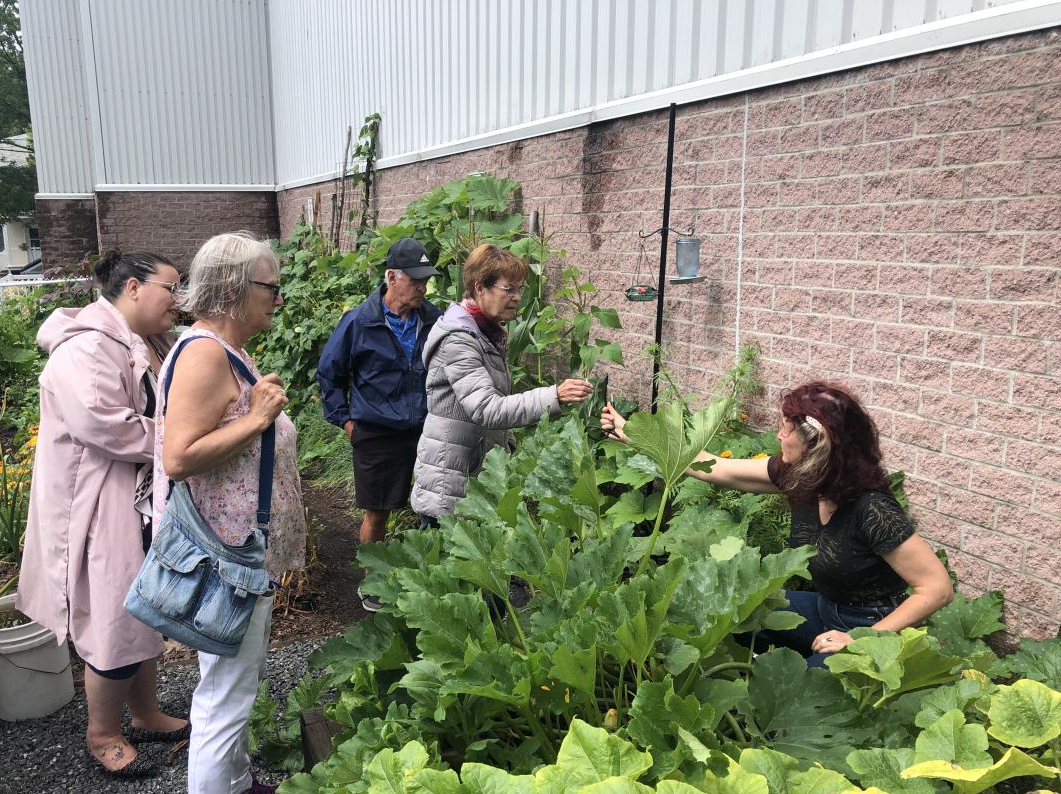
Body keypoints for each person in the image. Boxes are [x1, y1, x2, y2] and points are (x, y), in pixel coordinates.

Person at [601, 381, 953, 667]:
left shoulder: (872, 508)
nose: (778, 437)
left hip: (871, 623)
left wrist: (861, 640)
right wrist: (636, 435)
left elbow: (936, 588)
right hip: (824, 608)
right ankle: (770, 667)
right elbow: (716, 468)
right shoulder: (800, 477)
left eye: (786, 430)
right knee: (731, 606)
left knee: (808, 688)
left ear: (817, 445)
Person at [156, 232, 304, 794]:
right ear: (237, 289)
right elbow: (180, 455)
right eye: (271, 287)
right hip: (226, 554)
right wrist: (261, 416)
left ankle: (236, 790)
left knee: (232, 685)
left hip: (241, 549)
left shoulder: (225, 352)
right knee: (224, 696)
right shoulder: (204, 356)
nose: (278, 297)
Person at [19, 250, 188, 778]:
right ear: (134, 287)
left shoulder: (143, 340)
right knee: (115, 615)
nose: (177, 301)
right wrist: (183, 441)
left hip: (133, 493)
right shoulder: (86, 348)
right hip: (97, 503)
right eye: (171, 288)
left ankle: (143, 712)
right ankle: (103, 734)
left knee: (144, 604)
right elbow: (104, 425)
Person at [412, 243, 593, 522]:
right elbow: (486, 408)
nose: (517, 297)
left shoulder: (485, 332)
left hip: (469, 473)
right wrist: (554, 396)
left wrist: (507, 447)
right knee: (444, 562)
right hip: (450, 484)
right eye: (509, 289)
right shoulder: (459, 339)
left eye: (519, 289)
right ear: (479, 287)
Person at [316, 237, 444, 612]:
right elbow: (329, 374)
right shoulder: (359, 321)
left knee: (433, 507)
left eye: (426, 281)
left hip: (425, 430)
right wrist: (346, 422)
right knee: (378, 510)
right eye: (415, 280)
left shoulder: (434, 320)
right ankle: (372, 584)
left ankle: (428, 579)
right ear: (391, 277)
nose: (422, 287)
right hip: (376, 434)